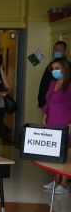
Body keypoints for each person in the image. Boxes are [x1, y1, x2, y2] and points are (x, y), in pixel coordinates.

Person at [41, 57, 71, 195]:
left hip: (66, 121)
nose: (55, 71)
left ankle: (64, 184)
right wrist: (45, 115)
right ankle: (55, 180)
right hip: (52, 120)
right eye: (53, 69)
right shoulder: (53, 83)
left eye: (57, 68)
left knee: (65, 152)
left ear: (65, 68)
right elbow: (48, 101)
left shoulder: (70, 85)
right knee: (54, 152)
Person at [38, 41, 67, 108]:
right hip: (48, 102)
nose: (56, 52)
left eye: (59, 50)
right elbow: (44, 84)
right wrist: (41, 101)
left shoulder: (68, 67)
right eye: (55, 50)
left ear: (64, 51)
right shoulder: (50, 66)